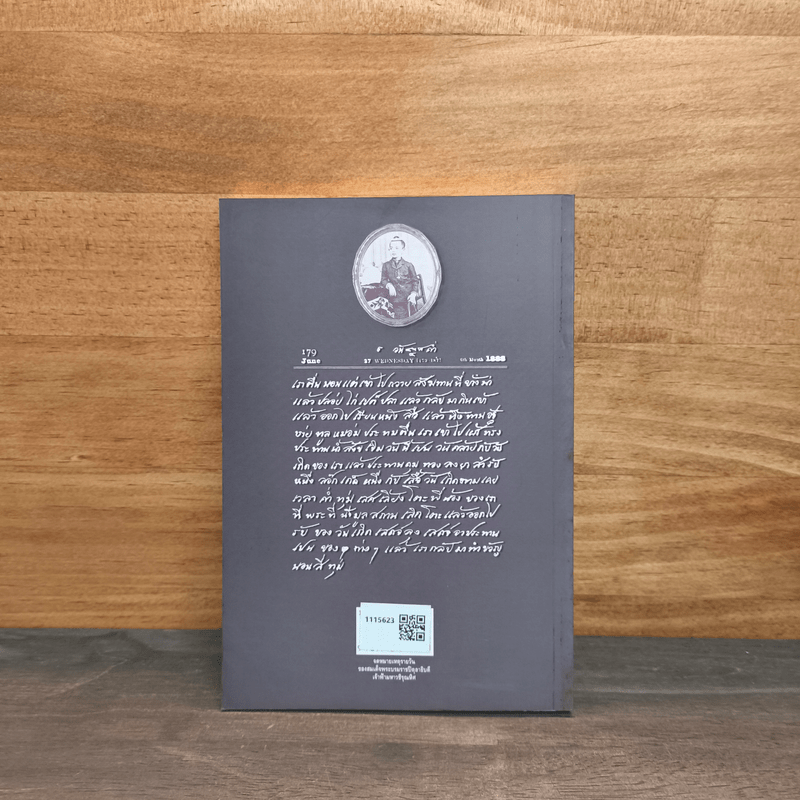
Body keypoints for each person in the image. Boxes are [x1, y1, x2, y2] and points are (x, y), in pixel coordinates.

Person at [379, 236, 422, 319]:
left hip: (407, 296)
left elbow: (415, 281)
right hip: (393, 297)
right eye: (391, 248)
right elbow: (383, 280)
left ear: (403, 250)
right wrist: (389, 285)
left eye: (397, 248)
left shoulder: (409, 265)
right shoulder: (386, 265)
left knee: (405, 317)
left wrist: (413, 294)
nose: (393, 250)